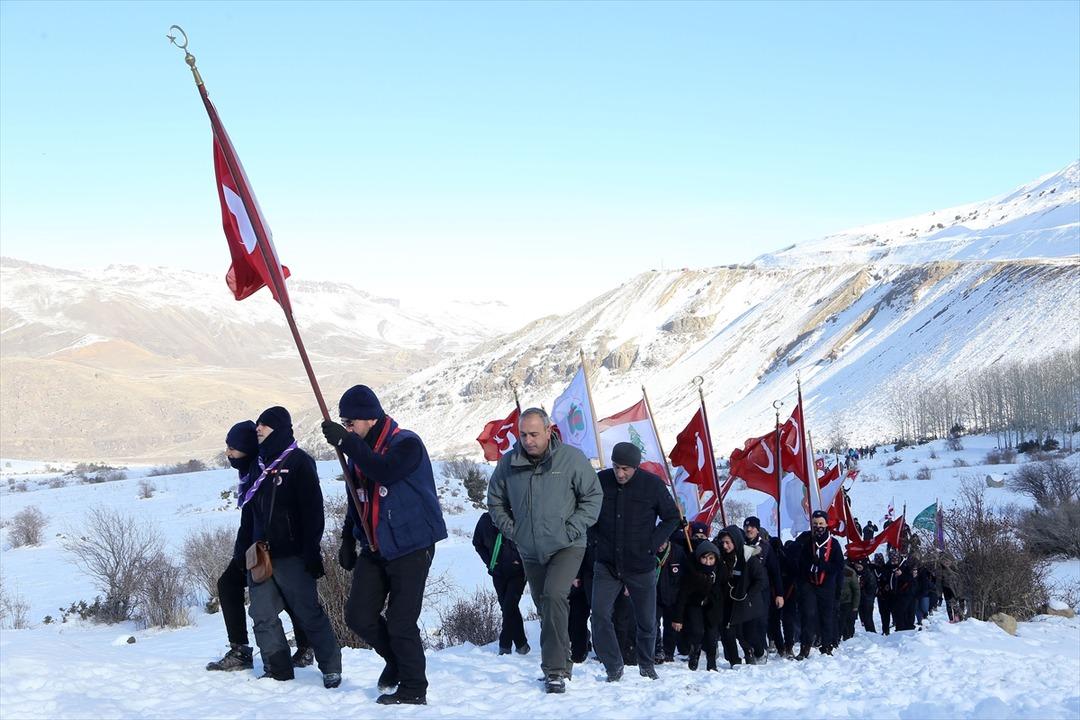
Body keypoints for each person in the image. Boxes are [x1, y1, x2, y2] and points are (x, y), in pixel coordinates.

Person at [322, 384, 448, 705]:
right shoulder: (360, 453)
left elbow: (386, 471)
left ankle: (413, 688)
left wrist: (346, 442)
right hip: (376, 547)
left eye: (351, 423)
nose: (348, 428)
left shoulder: (406, 444)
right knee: (358, 615)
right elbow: (357, 498)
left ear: (369, 419)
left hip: (411, 544)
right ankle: (395, 660)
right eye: (344, 424)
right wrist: (348, 539)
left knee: (400, 621)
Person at [487, 407, 603, 695]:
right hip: (529, 548)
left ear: (549, 431)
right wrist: (514, 531)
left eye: (534, 434)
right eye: (523, 434)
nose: (528, 440)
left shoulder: (571, 459)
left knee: (553, 595)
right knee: (545, 606)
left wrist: (571, 529)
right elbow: (495, 501)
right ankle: (563, 660)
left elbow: (593, 497)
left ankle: (553, 673)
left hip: (567, 545)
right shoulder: (508, 463)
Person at [236, 406, 342, 688]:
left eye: (265, 425)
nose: (258, 429)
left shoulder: (299, 462)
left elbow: (313, 511)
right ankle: (278, 668)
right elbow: (250, 513)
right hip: (261, 555)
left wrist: (311, 551)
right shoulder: (257, 466)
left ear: (280, 429)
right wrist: (243, 550)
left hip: (293, 555)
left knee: (308, 612)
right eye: (258, 424)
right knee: (261, 613)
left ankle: (331, 667)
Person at [207, 420, 312, 672]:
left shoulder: (260, 471)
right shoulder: (251, 470)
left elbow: (260, 518)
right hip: (254, 547)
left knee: (281, 592)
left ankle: (245, 651)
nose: (228, 453)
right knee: (237, 585)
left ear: (247, 448)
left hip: (269, 547)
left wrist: (245, 553)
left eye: (233, 448)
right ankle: (305, 647)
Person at [590, 442, 680, 682]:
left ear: (636, 467)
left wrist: (653, 543)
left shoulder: (653, 485)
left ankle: (646, 665)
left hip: (641, 565)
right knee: (598, 614)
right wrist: (595, 541)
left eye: (626, 469)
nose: (620, 473)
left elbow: (672, 517)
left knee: (647, 621)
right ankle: (613, 666)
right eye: (617, 467)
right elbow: (586, 515)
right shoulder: (600, 481)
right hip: (607, 563)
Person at [472, 511, 530, 655]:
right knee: (507, 608)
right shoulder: (485, 520)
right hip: (497, 572)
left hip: (518, 572)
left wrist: (520, 560)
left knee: (510, 605)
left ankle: (504, 645)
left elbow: (528, 542)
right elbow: (477, 543)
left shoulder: (518, 517)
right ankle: (522, 644)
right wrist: (490, 562)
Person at [794, 510, 844, 659]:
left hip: (826, 585)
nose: (818, 527)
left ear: (826, 524)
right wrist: (809, 566)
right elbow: (800, 562)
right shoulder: (807, 541)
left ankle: (827, 646)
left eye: (821, 523)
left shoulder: (833, 543)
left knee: (826, 616)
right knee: (808, 615)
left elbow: (839, 565)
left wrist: (822, 565)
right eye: (815, 524)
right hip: (809, 585)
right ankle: (805, 647)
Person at [715, 526, 767, 666]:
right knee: (728, 632)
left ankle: (759, 652)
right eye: (723, 543)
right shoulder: (720, 557)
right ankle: (734, 661)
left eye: (728, 542)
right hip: (727, 601)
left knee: (748, 634)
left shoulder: (748, 557)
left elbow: (761, 580)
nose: (725, 546)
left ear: (735, 541)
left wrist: (748, 595)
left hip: (746, 602)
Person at [741, 517, 782, 662]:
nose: (749, 529)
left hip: (761, 590)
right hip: (744, 589)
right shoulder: (740, 544)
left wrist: (779, 594)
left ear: (757, 529)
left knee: (760, 621)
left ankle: (761, 649)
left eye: (752, 527)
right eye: (746, 527)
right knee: (745, 623)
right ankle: (750, 649)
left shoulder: (766, 547)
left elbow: (775, 572)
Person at [655, 528, 688, 663]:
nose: (660, 545)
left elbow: (684, 575)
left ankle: (668, 652)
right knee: (653, 623)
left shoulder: (678, 552)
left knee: (671, 624)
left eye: (663, 542)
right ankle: (657, 651)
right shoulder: (649, 550)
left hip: (672, 594)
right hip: (654, 595)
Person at [853, 557, 878, 633]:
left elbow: (871, 588)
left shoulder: (868, 574)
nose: (858, 568)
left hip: (867, 599)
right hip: (860, 599)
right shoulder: (856, 574)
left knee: (868, 617)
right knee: (863, 618)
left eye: (859, 567)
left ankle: (871, 632)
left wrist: (861, 588)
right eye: (856, 567)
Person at [838, 559, 861, 641]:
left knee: (847, 621)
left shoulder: (850, 572)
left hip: (847, 601)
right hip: (836, 600)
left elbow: (856, 590)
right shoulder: (832, 570)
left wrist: (855, 606)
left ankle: (847, 637)